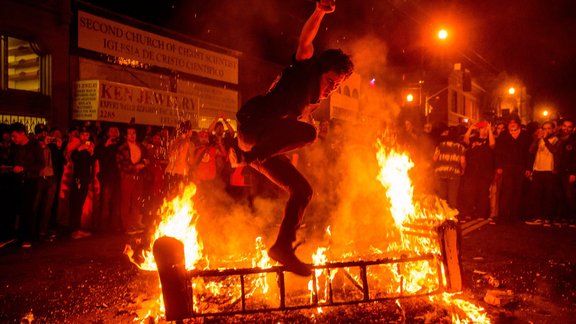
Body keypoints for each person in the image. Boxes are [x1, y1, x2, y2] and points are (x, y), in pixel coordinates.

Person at [230, 0, 353, 276]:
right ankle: (245, 156)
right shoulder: (305, 68)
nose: (333, 88)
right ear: (322, 70)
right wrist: (319, 11)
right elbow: (306, 39)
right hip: (254, 128)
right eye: (332, 81)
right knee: (310, 133)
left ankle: (282, 247)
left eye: (338, 85)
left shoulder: (313, 101)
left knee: (303, 191)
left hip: (261, 146)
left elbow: (291, 128)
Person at [11, 123, 44, 248]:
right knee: (18, 208)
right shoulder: (15, 147)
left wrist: (24, 168)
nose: (13, 140)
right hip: (17, 180)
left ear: (22, 134)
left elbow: (41, 164)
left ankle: (27, 237)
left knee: (28, 209)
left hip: (30, 180)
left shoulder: (34, 145)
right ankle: (19, 236)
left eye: (15, 136)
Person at [494, 115, 532, 223]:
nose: (512, 124)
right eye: (510, 122)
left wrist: (528, 168)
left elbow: (528, 153)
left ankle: (515, 216)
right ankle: (504, 216)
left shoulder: (525, 135)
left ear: (518, 123)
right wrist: (499, 166)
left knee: (518, 191)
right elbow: (498, 152)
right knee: (507, 191)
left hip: (520, 167)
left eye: (514, 122)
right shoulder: (504, 135)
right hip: (507, 166)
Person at [116, 125, 149, 234]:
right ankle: (126, 227)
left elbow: (146, 157)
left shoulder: (140, 146)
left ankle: (135, 224)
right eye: (129, 133)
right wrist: (134, 168)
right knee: (126, 202)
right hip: (127, 178)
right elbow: (121, 165)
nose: (132, 135)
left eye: (133, 133)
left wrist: (144, 163)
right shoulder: (122, 148)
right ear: (126, 135)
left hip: (139, 178)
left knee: (137, 201)